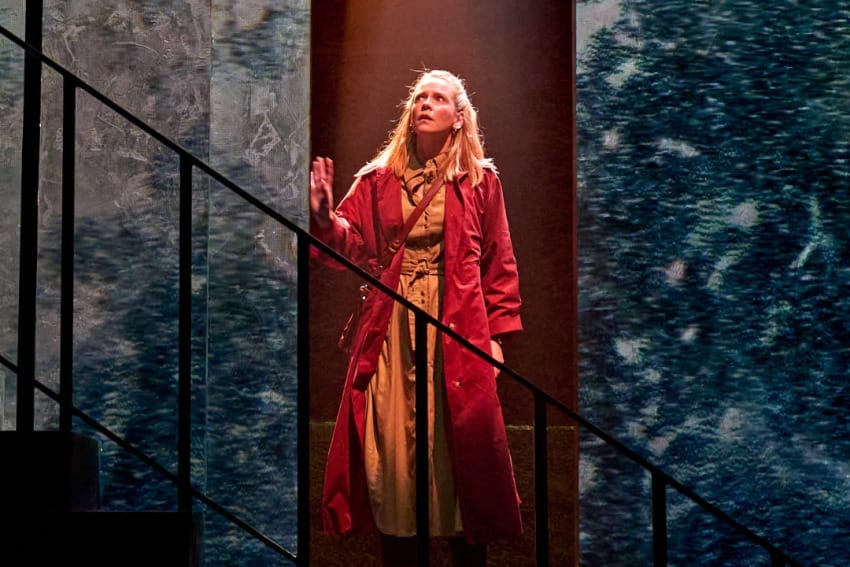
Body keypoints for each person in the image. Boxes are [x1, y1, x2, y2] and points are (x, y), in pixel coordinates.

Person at [310, 69, 523, 566]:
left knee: (459, 446)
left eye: (439, 98)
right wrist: (323, 219)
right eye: (420, 97)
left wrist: (495, 339)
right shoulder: (378, 179)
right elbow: (350, 244)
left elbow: (500, 261)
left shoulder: (480, 181)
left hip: (458, 327)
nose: (426, 103)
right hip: (393, 329)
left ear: (458, 119)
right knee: (393, 445)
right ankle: (401, 551)